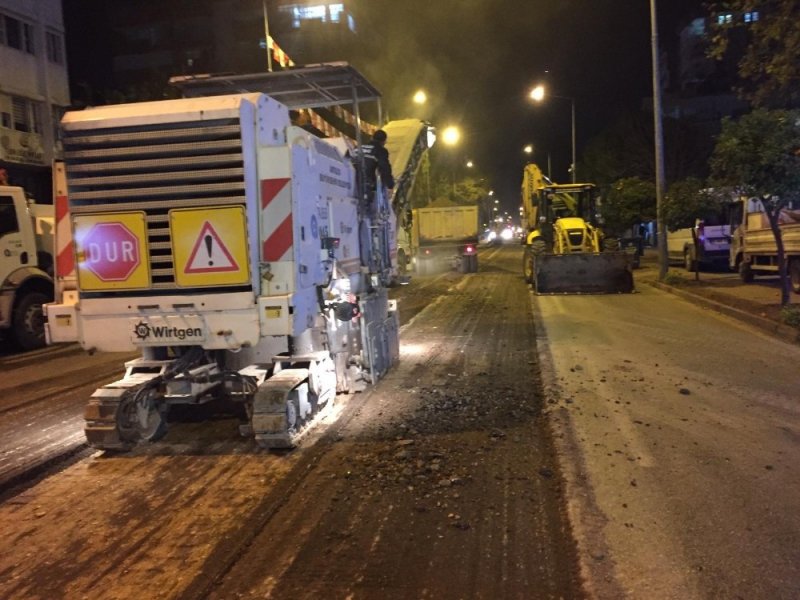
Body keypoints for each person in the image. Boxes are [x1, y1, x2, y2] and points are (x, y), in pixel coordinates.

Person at [353, 129, 395, 197]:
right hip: (365, 183)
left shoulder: (357, 147)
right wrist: (390, 185)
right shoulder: (380, 150)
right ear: (384, 142)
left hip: (351, 180)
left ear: (372, 138)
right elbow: (384, 168)